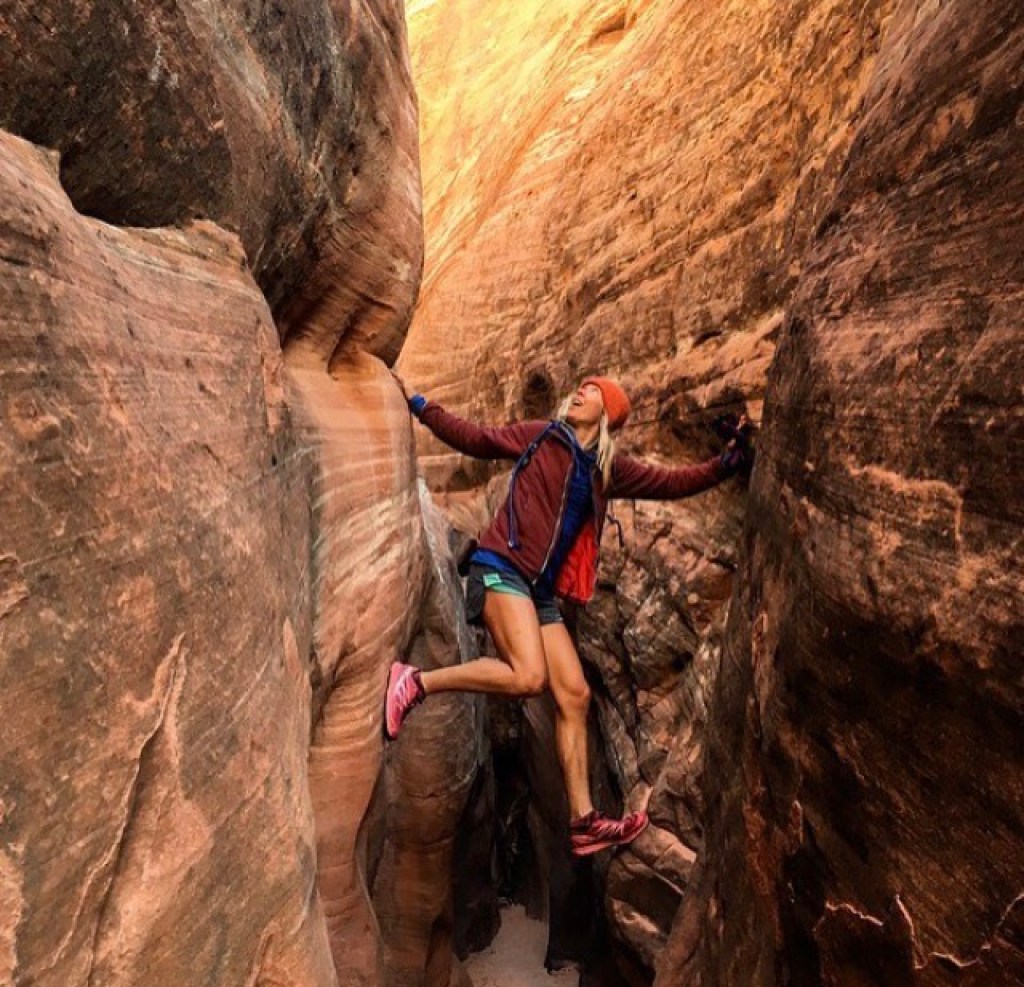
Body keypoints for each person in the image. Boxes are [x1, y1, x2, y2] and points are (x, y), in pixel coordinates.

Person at [384, 376, 753, 856]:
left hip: (539, 593)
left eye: (592, 391)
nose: (580, 392)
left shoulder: (605, 470)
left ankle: (583, 822)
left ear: (607, 412)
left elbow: (671, 483)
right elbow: (476, 438)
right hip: (500, 566)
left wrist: (728, 463)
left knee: (575, 695)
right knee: (528, 677)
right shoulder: (542, 437)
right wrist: (419, 405)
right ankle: (415, 683)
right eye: (580, 387)